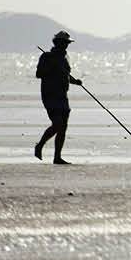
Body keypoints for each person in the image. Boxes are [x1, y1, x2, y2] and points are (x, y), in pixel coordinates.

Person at [34, 31, 80, 164]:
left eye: (67, 43)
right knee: (57, 124)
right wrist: (51, 66)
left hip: (62, 95)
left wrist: (75, 81)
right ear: (57, 43)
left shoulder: (65, 58)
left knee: (63, 127)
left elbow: (64, 74)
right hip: (50, 95)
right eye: (64, 43)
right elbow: (39, 74)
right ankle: (40, 145)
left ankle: (57, 157)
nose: (66, 45)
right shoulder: (47, 57)